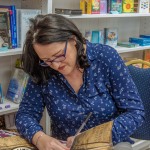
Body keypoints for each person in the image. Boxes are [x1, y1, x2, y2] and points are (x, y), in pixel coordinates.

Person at [15, 14, 145, 150]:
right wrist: (39, 137)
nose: (55, 65)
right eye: (47, 60)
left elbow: (135, 112)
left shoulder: (106, 57)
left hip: (110, 143)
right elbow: (25, 114)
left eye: (59, 55)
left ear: (73, 40)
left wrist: (93, 138)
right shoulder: (43, 70)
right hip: (66, 146)